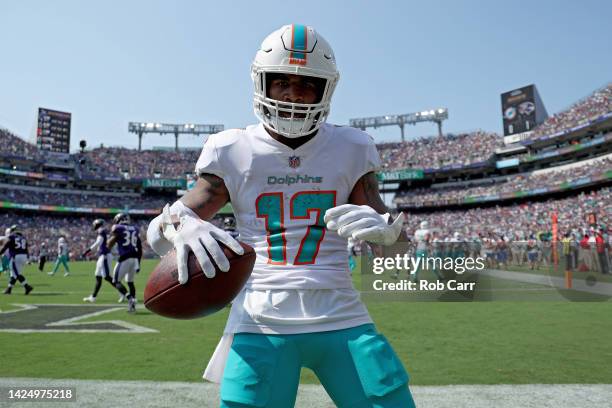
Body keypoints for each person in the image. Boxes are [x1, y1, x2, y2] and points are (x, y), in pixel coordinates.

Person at [147, 24, 414, 408]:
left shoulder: (352, 147)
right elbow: (160, 233)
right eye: (282, 82)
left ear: (325, 90)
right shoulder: (232, 149)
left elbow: (397, 259)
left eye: (306, 84)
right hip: (260, 319)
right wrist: (178, 227)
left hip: (343, 315)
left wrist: (389, 238)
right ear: (263, 84)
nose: (293, 94)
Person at [107, 213, 141, 313]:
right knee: (130, 282)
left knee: (115, 281)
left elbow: (110, 243)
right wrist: (138, 263)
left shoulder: (118, 228)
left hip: (125, 257)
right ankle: (133, 306)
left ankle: (130, 298)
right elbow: (139, 248)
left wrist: (109, 246)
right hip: (134, 258)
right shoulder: (135, 228)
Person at [82, 219, 121, 302]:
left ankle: (123, 292)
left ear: (97, 225)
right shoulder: (103, 231)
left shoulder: (101, 231)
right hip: (103, 256)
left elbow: (98, 243)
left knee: (107, 277)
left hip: (105, 256)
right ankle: (93, 297)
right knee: (98, 277)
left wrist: (87, 251)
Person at [0, 225, 33, 295]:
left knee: (17, 274)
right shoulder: (23, 238)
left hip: (16, 257)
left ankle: (27, 286)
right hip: (23, 256)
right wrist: (28, 258)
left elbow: (6, 245)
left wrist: (0, 252)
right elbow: (26, 248)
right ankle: (9, 289)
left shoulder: (12, 237)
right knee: (14, 274)